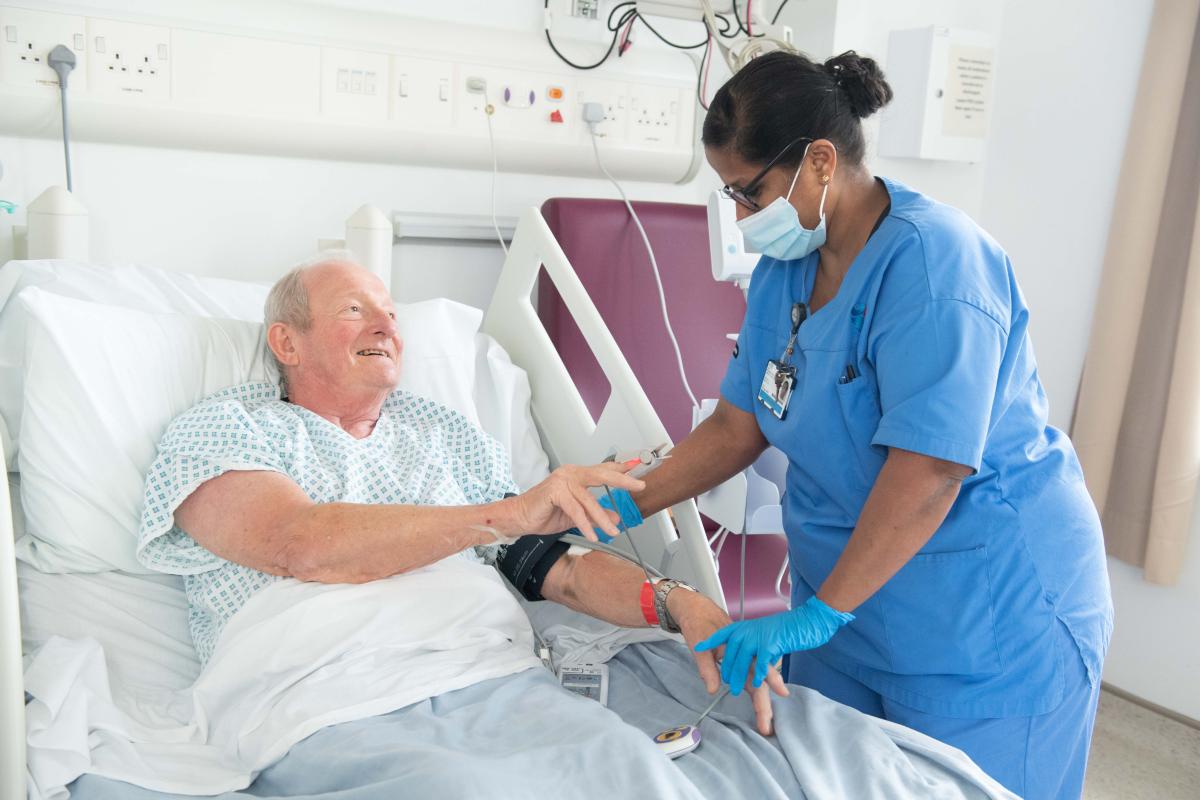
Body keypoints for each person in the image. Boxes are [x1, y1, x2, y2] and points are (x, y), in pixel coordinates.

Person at [619, 50, 1112, 799]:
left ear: (821, 160)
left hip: (984, 618)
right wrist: (627, 499)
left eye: (750, 193)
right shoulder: (790, 268)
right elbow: (737, 424)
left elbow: (932, 468)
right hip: (853, 611)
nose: (744, 219)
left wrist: (816, 617)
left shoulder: (938, 265)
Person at [135, 255, 784, 734]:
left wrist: (678, 602)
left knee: (774, 746)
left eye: (391, 313)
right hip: (334, 695)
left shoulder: (445, 432)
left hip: (493, 674)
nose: (387, 326)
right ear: (286, 341)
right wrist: (504, 515)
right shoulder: (226, 426)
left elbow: (547, 567)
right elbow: (297, 544)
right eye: (356, 310)